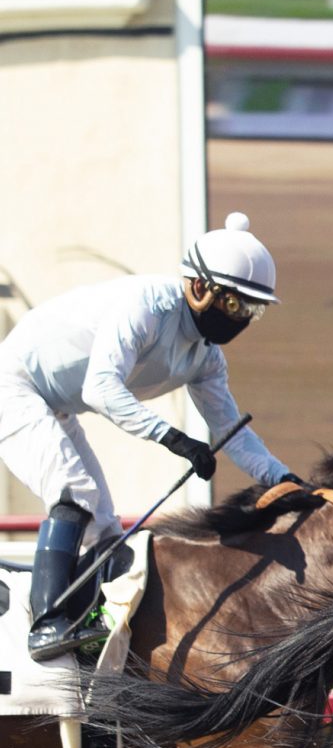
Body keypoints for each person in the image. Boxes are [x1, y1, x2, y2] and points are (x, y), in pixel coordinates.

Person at [0, 212, 296, 660]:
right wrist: (174, 439)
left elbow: (231, 432)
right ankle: (46, 626)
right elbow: (100, 387)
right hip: (14, 385)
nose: (240, 319)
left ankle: (84, 629)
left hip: (53, 403)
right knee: (74, 492)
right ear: (199, 287)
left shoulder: (206, 358)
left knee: (101, 524)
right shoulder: (147, 307)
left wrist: (283, 478)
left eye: (251, 312)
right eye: (235, 305)